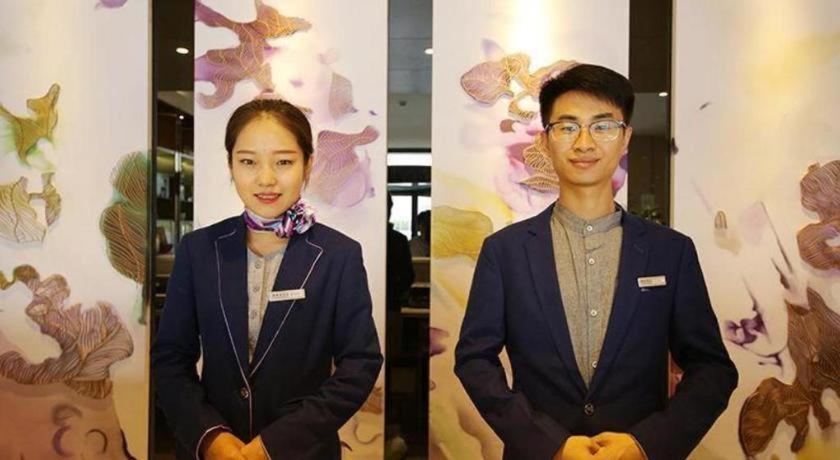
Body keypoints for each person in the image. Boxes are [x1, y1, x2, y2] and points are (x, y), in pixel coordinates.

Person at [454, 64, 737, 460]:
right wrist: (550, 444)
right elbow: (474, 361)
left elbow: (712, 369)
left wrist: (645, 444)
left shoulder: (670, 251)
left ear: (625, 139)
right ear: (546, 140)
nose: (584, 142)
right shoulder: (505, 251)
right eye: (568, 127)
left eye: (602, 126)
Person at [152, 98, 383, 460]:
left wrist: (274, 444)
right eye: (248, 161)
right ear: (230, 165)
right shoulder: (198, 250)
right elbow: (170, 358)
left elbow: (360, 364)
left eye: (284, 162)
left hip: (302, 451)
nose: (266, 179)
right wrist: (210, 438)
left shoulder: (338, 255)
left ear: (308, 165)